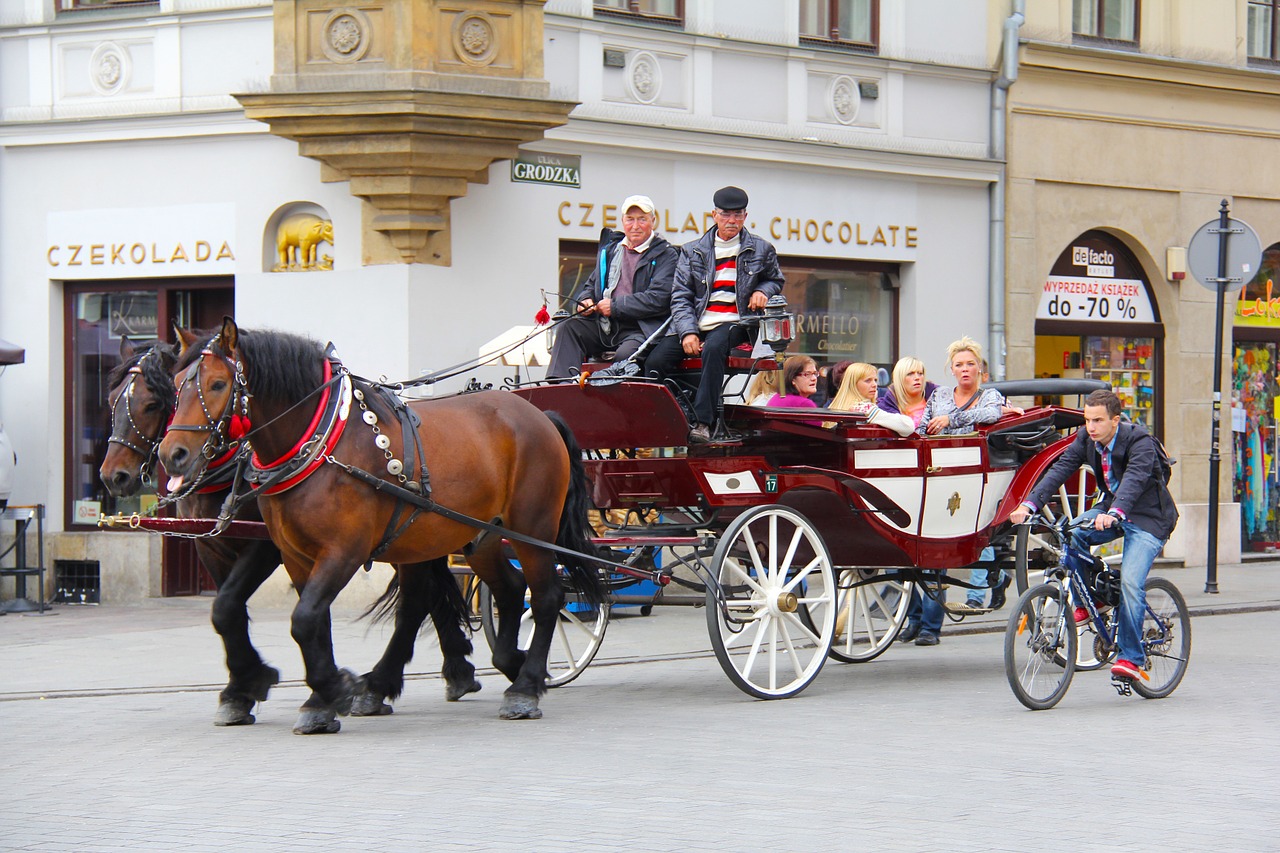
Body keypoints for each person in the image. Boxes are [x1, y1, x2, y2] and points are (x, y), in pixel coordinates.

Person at [1009, 389, 1179, 682]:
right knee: (1073, 534)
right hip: (1111, 509)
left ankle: (1131, 657)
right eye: (1087, 420)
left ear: (1115, 420)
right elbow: (1061, 468)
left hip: (1149, 517)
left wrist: (1116, 512)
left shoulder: (1140, 442)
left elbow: (1136, 480)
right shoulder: (1086, 439)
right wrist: (1029, 503)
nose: (1090, 427)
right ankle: (1093, 602)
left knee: (1130, 583)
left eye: (1098, 420)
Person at [644, 186, 784, 444]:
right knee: (655, 362)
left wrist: (762, 291)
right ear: (714, 215)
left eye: (738, 215)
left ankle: (703, 422)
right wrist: (687, 332)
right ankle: (674, 415)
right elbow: (681, 295)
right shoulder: (692, 250)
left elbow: (775, 279)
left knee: (713, 349)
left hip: (735, 322)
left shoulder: (762, 249)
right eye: (726, 214)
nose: (732, 220)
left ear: (745, 216)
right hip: (696, 323)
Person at [546, 195, 678, 379]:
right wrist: (585, 300)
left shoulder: (667, 255)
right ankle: (560, 388)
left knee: (625, 357)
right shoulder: (611, 250)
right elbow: (592, 284)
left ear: (653, 222)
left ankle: (612, 402)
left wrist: (615, 306)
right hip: (604, 326)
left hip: (640, 329)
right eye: (630, 219)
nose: (635, 225)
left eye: (642, 219)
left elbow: (659, 299)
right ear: (623, 221)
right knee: (568, 327)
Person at [826, 362, 914, 436]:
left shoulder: (836, 405)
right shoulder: (863, 408)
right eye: (868, 380)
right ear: (853, 384)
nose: (874, 385)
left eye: (875, 380)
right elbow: (908, 426)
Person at [877, 356, 936, 430]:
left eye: (920, 373)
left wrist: (948, 419)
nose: (917, 377)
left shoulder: (938, 397)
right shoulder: (885, 406)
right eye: (910, 374)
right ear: (900, 378)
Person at [765, 356, 821, 423]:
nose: (814, 378)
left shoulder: (776, 398)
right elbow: (817, 432)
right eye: (807, 374)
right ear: (792, 378)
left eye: (815, 374)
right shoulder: (804, 404)